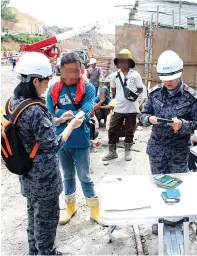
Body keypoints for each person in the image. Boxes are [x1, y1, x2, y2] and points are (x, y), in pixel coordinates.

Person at [12, 52, 83, 255]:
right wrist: (71, 124)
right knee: (47, 221)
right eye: (45, 81)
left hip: (26, 173)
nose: (46, 85)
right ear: (35, 80)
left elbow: (32, 127)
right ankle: (47, 252)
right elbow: (53, 145)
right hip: (44, 179)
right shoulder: (35, 109)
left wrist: (59, 120)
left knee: (33, 216)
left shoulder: (16, 102)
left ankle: (34, 251)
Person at [47, 52, 103, 226]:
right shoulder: (53, 88)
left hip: (81, 140)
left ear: (81, 70)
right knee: (68, 176)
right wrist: (64, 114)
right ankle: (70, 208)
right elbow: (49, 110)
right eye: (68, 71)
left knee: (84, 176)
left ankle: (94, 210)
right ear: (61, 70)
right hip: (61, 140)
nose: (72, 75)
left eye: (76, 70)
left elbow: (87, 108)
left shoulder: (88, 88)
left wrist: (68, 115)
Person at [141, 50, 197, 174]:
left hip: (178, 152)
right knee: (158, 184)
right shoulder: (154, 94)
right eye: (165, 79)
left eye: (172, 78)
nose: (168, 82)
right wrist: (149, 119)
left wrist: (182, 124)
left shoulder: (191, 97)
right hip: (156, 149)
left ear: (179, 73)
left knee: (177, 185)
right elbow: (142, 115)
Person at [102, 49, 143, 162]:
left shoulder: (135, 75)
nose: (123, 63)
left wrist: (132, 96)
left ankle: (127, 151)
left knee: (130, 130)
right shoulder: (114, 76)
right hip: (119, 107)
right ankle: (112, 152)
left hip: (132, 107)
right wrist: (121, 97)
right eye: (120, 61)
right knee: (112, 128)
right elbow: (114, 90)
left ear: (129, 62)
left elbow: (140, 89)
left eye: (125, 61)